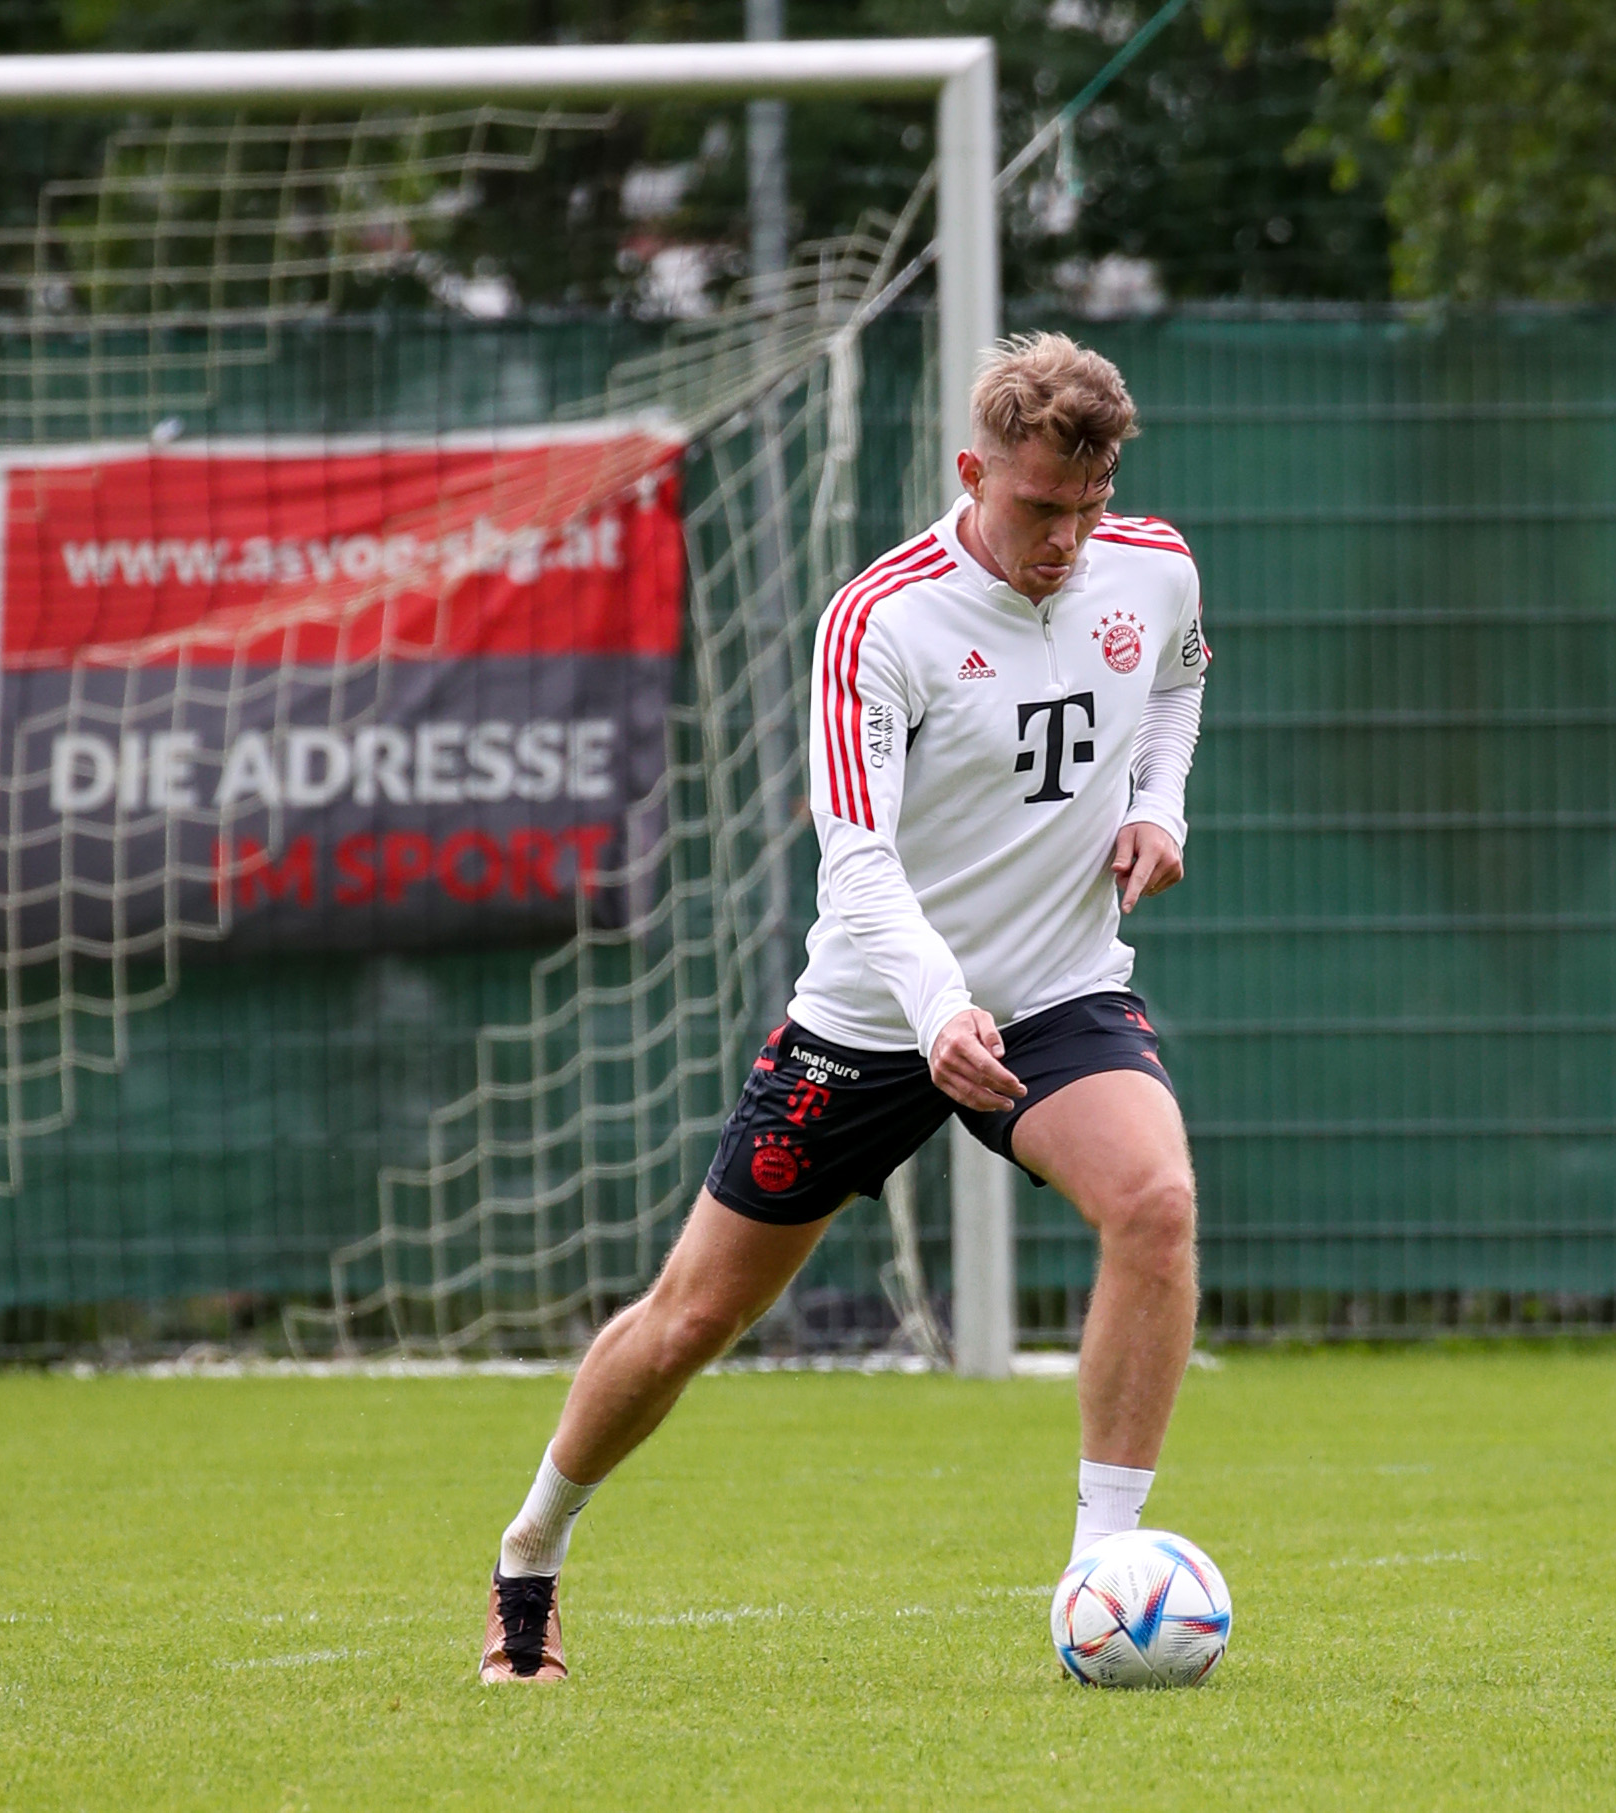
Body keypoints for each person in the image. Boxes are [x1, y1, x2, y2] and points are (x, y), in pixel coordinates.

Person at [480, 332, 1212, 1683]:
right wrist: (934, 1009)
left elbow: (1178, 680)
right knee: (694, 1316)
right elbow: (857, 856)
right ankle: (531, 1556)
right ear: (971, 468)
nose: (1063, 537)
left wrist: (1158, 805)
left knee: (1155, 1203)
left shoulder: (1152, 566)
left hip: (1056, 994)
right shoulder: (883, 617)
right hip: (875, 1017)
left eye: (1086, 506)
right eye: (1037, 506)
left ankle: (1099, 1576)